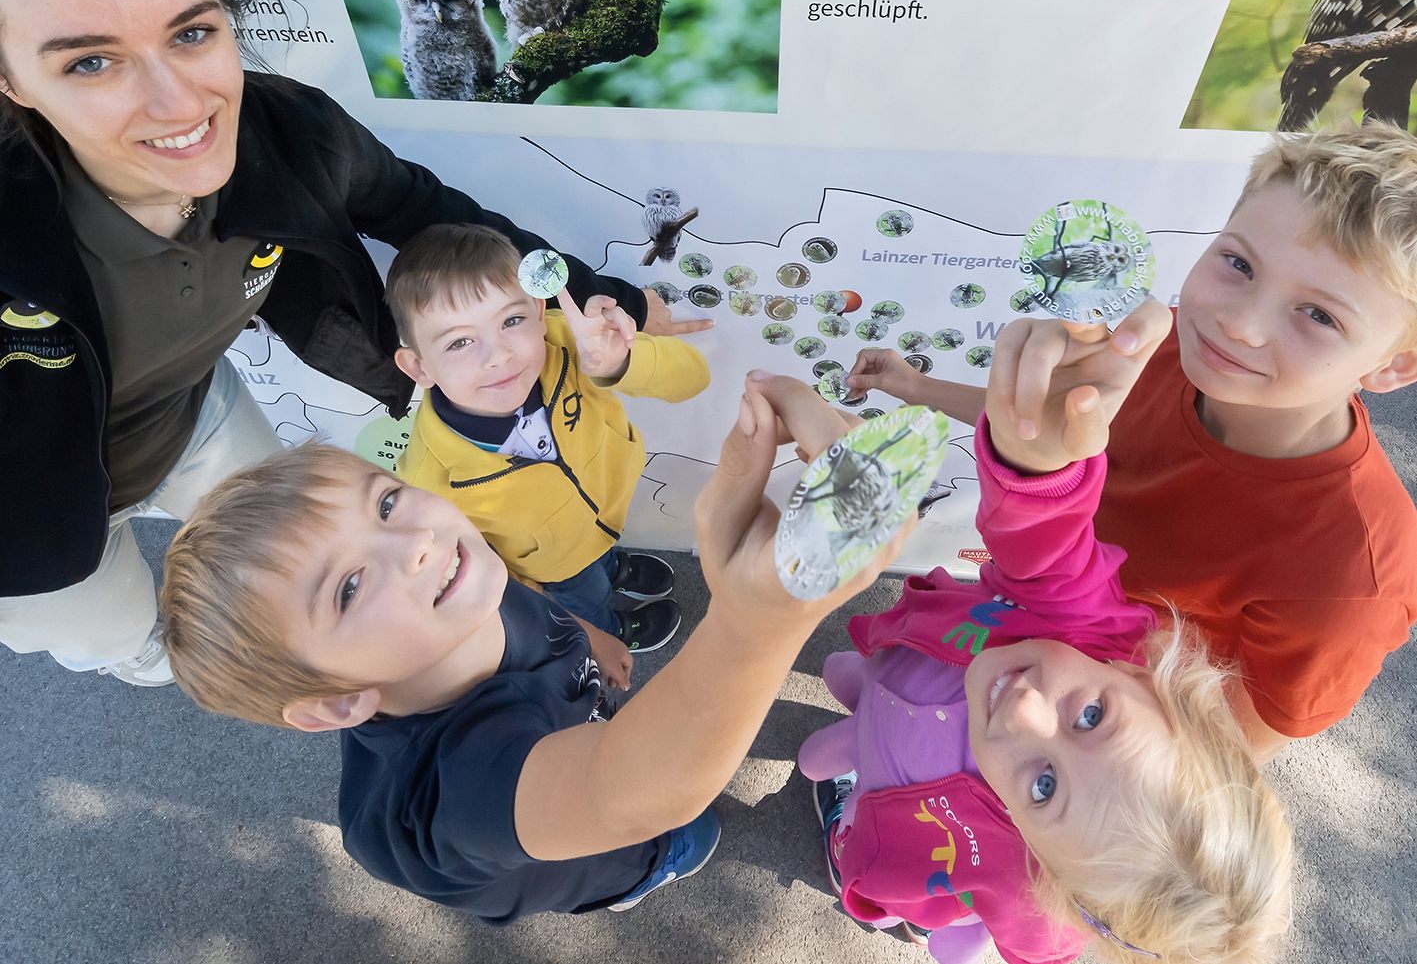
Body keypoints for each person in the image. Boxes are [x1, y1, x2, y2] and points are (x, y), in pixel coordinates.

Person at [0, 0, 706, 687]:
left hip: (193, 415)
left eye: (193, 31)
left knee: (317, 584)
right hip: (33, 517)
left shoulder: (285, 136)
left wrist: (604, 291)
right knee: (160, 646)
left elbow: (423, 208)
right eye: (89, 61)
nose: (181, 105)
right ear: (11, 76)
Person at [157, 372, 911, 922]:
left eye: (384, 501)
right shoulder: (445, 800)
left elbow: (527, 600)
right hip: (593, 844)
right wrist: (761, 616)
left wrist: (585, 632)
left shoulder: (458, 590)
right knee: (674, 831)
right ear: (342, 701)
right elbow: (618, 795)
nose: (414, 542)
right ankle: (658, 869)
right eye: (348, 588)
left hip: (589, 736)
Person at [848, 124, 1417, 761]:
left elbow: (1237, 753)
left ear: (1394, 365)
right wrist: (918, 387)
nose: (1239, 322)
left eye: (1319, 315)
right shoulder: (1174, 344)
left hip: (1099, 734)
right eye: (1239, 264)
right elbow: (1051, 428)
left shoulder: (1352, 572)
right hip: (1030, 613)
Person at [802, 302, 1293, 964]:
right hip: (911, 668)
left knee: (849, 809)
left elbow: (1026, 937)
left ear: (1047, 873)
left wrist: (871, 875)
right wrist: (1034, 466)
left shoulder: (1034, 893)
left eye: (1042, 787)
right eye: (1091, 715)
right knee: (849, 703)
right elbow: (1049, 545)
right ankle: (859, 714)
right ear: (1146, 680)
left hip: (904, 816)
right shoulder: (1086, 630)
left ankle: (843, 822)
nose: (1025, 710)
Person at [387, 222, 709, 653]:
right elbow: (476, 563)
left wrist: (621, 361)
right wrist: (546, 605)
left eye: (512, 320)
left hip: (610, 506)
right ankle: (613, 632)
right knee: (587, 597)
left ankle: (616, 566)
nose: (498, 355)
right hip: (557, 565)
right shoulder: (429, 479)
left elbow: (694, 378)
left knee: (604, 554)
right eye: (460, 342)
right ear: (418, 368)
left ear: (540, 314)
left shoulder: (574, 342)